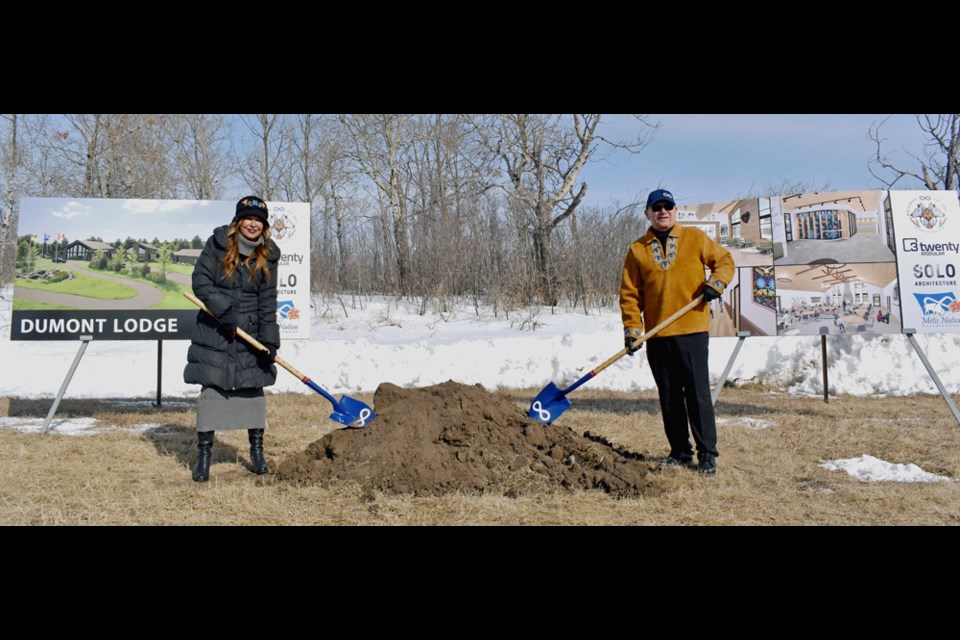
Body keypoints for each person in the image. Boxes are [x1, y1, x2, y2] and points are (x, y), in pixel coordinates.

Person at [620, 189, 735, 475]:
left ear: (675, 210)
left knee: (697, 395)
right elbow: (629, 295)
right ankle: (680, 451)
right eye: (656, 207)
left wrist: (715, 284)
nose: (662, 211)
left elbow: (725, 262)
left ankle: (707, 454)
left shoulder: (695, 239)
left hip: (691, 330)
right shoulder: (637, 250)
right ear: (647, 213)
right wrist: (633, 330)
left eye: (667, 206)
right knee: (669, 396)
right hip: (657, 336)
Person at [183, 196, 281, 483]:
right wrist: (222, 309)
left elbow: (267, 300)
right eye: (248, 218)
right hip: (216, 329)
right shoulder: (217, 245)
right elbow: (199, 282)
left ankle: (257, 453)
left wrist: (269, 341)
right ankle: (203, 457)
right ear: (238, 221)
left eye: (259, 220)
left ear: (263, 226)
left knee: (253, 392)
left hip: (250, 333)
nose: (253, 224)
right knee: (212, 393)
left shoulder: (269, 255)